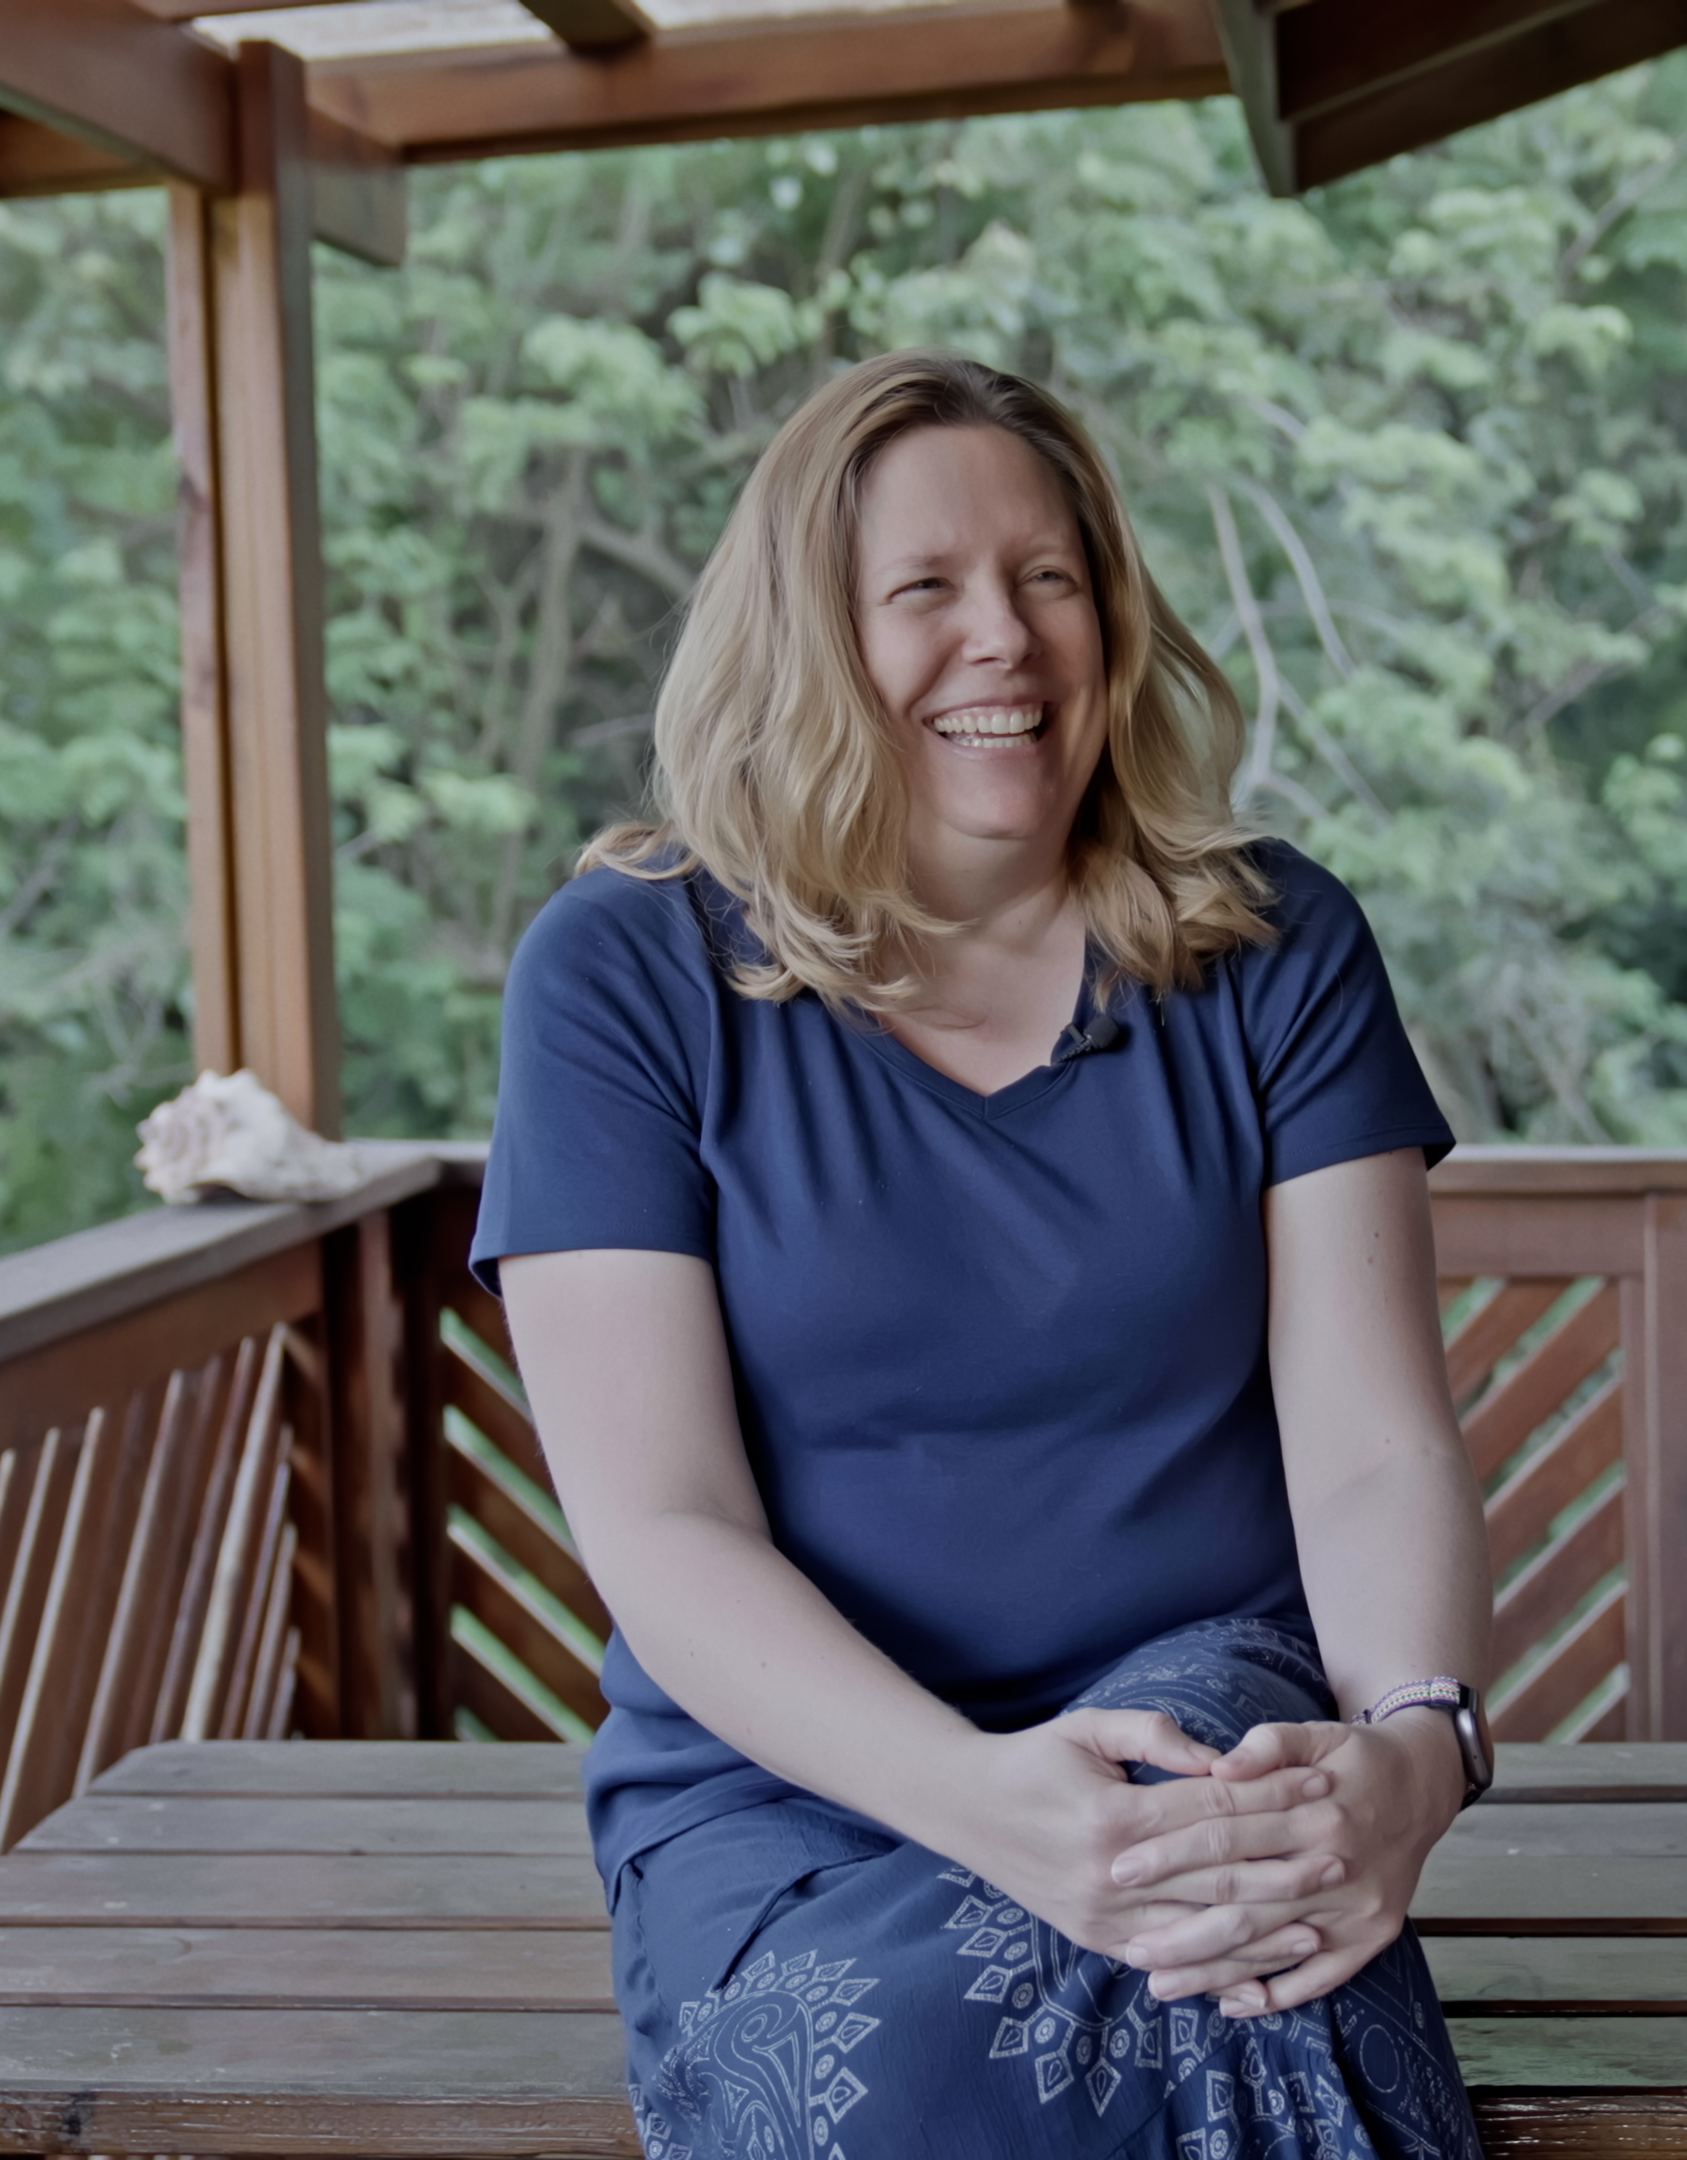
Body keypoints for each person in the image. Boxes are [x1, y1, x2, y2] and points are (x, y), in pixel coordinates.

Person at [475, 349, 1497, 2160]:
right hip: (790, 1786)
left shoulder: (1274, 943)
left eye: (1049, 577)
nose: (1004, 639)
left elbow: (1373, 1446)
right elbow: (664, 1526)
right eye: (923, 590)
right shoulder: (621, 975)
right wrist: (980, 1802)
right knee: (929, 2054)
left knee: (1230, 1924)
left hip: (1198, 1731)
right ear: (808, 636)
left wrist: (1416, 1747)